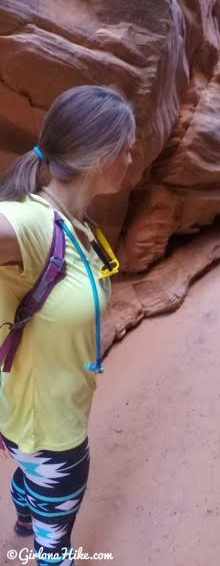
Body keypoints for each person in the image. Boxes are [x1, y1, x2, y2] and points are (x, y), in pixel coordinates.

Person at [0, 85, 136, 565]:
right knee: (54, 552)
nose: (132, 156)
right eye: (127, 147)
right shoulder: (35, 223)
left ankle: (22, 512)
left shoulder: (76, 225)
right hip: (53, 437)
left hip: (23, 412)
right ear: (101, 156)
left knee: (26, 470)